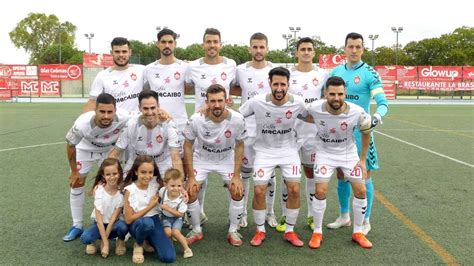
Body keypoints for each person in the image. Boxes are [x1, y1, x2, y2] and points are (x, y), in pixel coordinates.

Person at [300, 76, 373, 249]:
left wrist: (362, 160)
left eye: (340, 94)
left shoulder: (357, 111)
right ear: (325, 93)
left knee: (361, 190)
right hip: (324, 153)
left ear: (345, 93)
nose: (336, 98)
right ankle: (317, 232)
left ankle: (358, 232)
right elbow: (300, 115)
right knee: (320, 190)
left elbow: (366, 132)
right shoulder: (315, 107)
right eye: (332, 94)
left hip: (348, 154)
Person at [328, 32, 389, 235]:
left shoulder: (370, 73)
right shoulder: (336, 71)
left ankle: (365, 220)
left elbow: (383, 103)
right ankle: (344, 216)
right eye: (350, 46)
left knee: (364, 177)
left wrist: (375, 119)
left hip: (361, 135)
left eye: (358, 47)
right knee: (341, 176)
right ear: (344, 49)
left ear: (363, 49)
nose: (354, 50)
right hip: (339, 134)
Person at [239, 67, 306, 247]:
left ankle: (290, 231)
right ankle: (260, 230)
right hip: (264, 152)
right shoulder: (256, 102)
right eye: (275, 84)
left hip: (289, 151)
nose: (279, 88)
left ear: (288, 85)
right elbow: (238, 115)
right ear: (269, 83)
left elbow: (313, 117)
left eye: (282, 84)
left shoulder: (298, 103)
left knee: (294, 190)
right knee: (259, 190)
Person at [185, 27, 237, 225]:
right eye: (209, 42)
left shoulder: (231, 64)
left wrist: (227, 100)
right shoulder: (193, 66)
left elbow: (236, 87)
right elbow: (187, 86)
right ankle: (200, 212)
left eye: (215, 42)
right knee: (200, 172)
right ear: (203, 44)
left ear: (220, 44)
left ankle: (236, 219)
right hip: (201, 126)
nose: (212, 45)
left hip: (224, 125)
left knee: (231, 175)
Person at [277, 37, 330, 232]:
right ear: (296, 53)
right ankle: (284, 215)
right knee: (287, 176)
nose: (306, 52)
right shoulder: (288, 74)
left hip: (313, 133)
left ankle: (310, 216)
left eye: (309, 49)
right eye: (302, 49)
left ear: (314, 53)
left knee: (311, 173)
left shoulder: (323, 74)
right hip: (289, 133)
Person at [184, 84, 246, 247]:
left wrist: (237, 176)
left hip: (226, 158)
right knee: (190, 191)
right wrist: (190, 177)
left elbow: (240, 145)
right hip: (202, 158)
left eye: (220, 100)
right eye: (213, 101)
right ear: (207, 102)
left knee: (238, 190)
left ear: (226, 100)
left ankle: (233, 230)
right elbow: (188, 145)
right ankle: (197, 229)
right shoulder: (196, 119)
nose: (217, 105)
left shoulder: (237, 119)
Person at [63, 93, 131, 242]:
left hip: (109, 150)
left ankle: (115, 224)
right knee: (76, 184)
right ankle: (77, 225)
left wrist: (162, 112)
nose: (106, 116)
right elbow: (70, 145)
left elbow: (142, 115)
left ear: (115, 110)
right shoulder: (82, 123)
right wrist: (74, 172)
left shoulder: (125, 117)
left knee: (115, 185)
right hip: (84, 150)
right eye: (102, 112)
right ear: (95, 110)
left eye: (110, 112)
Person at [230, 32, 278, 229]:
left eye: (262, 47)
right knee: (245, 174)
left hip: (270, 131)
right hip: (247, 131)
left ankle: (270, 212)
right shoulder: (240, 70)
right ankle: (241, 213)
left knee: (271, 174)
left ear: (267, 48)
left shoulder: (275, 70)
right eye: (255, 47)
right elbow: (231, 89)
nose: (258, 51)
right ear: (250, 49)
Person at [109, 90, 183, 177]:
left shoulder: (169, 124)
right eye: (145, 108)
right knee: (123, 188)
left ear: (158, 106)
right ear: (139, 108)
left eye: (152, 108)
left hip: (162, 164)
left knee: (172, 188)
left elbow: (176, 158)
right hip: (136, 162)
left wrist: (180, 183)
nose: (150, 112)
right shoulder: (131, 124)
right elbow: (114, 154)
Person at [144, 28, 190, 154]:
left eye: (170, 42)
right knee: (154, 162)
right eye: (163, 42)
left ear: (175, 44)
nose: (167, 45)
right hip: (156, 123)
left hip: (179, 124)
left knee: (181, 163)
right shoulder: (149, 69)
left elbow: (193, 88)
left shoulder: (185, 67)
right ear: (157, 44)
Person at [123, 155, 176, 263]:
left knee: (168, 257)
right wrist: (150, 206)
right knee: (147, 223)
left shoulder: (156, 184)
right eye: (143, 172)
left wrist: (182, 192)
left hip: (155, 220)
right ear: (136, 172)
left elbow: (172, 186)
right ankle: (138, 244)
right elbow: (128, 219)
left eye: (150, 172)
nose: (147, 176)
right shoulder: (129, 190)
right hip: (137, 223)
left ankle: (148, 240)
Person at [80, 158, 128, 257]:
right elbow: (99, 220)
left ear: (119, 173)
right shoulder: (99, 191)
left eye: (114, 173)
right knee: (85, 238)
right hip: (99, 224)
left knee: (123, 227)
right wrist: (105, 243)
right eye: (108, 174)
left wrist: (104, 243)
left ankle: (120, 241)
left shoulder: (121, 193)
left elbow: (113, 220)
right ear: (103, 176)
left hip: (113, 225)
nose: (112, 177)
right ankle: (93, 242)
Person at [84, 37, 145, 114]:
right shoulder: (102, 76)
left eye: (124, 51)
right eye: (117, 51)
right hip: (115, 123)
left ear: (130, 52)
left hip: (135, 122)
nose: (121, 55)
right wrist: (82, 122)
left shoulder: (141, 70)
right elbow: (92, 101)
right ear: (111, 53)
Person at [158, 168, 193, 258]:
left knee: (175, 232)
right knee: (167, 232)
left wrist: (168, 208)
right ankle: (170, 247)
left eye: (179, 186)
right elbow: (157, 197)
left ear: (183, 185)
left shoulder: (182, 199)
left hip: (177, 218)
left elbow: (180, 214)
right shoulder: (163, 191)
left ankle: (187, 248)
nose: (176, 188)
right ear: (165, 184)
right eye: (172, 185)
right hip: (165, 217)